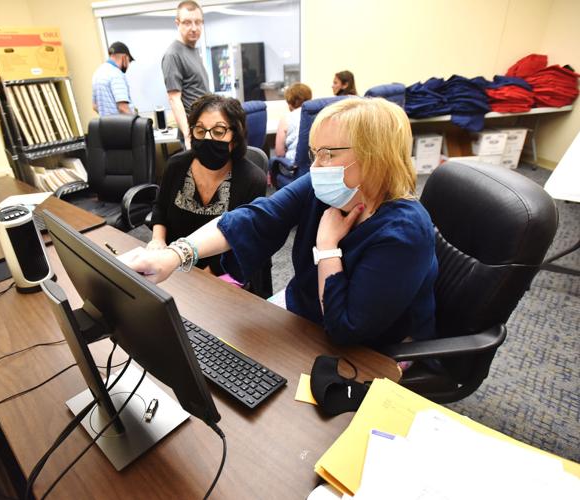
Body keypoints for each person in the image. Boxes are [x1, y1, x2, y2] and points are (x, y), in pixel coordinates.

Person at [126, 97, 438, 349]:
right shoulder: (325, 189)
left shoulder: (404, 232)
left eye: (328, 154)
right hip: (306, 313)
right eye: (315, 153)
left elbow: (346, 329)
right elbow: (255, 218)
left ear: (375, 157)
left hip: (372, 348)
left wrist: (327, 247)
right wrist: (175, 255)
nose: (316, 166)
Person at [147, 94, 267, 279]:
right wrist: (158, 240)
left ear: (235, 137)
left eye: (218, 131)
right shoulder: (176, 165)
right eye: (200, 131)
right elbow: (160, 208)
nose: (208, 138)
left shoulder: (252, 180)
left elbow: (243, 239)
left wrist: (205, 277)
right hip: (173, 265)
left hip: (224, 271)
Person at [162, 0, 210, 150]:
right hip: (195, 132)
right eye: (187, 22)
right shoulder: (173, 55)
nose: (194, 28)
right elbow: (174, 99)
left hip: (205, 128)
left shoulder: (193, 50)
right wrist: (188, 136)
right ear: (178, 23)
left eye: (198, 22)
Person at [92, 42, 135, 116]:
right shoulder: (116, 74)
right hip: (121, 126)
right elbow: (123, 107)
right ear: (124, 57)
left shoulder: (98, 73)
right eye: (129, 60)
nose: (128, 65)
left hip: (106, 125)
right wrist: (137, 124)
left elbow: (94, 106)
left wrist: (108, 117)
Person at [275, 82, 313, 160]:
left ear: (290, 101)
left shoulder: (286, 119)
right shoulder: (315, 115)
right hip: (313, 164)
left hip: (293, 167)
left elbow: (279, 153)